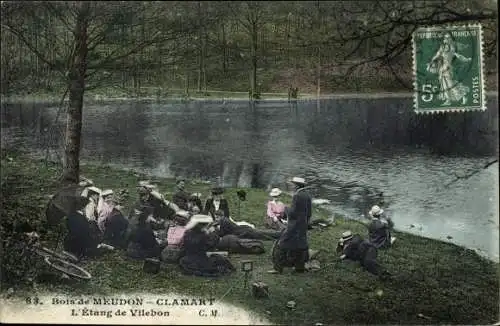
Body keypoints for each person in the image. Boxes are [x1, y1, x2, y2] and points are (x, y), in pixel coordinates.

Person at [269, 177, 311, 274]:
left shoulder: (297, 196)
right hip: (302, 226)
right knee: (300, 246)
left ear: (296, 185)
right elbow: (309, 213)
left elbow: (293, 213)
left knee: (281, 245)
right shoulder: (307, 195)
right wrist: (305, 223)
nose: (291, 185)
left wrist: (286, 209)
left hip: (293, 226)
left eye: (292, 184)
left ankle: (278, 268)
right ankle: (299, 268)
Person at [427, 32, 471, 106]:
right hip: (442, 67)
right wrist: (431, 62)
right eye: (445, 38)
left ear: (450, 39)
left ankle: (463, 96)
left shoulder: (452, 47)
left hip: (448, 68)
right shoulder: (443, 47)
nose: (446, 39)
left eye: (448, 38)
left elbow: (458, 56)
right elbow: (437, 55)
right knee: (444, 84)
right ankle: (448, 100)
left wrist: (466, 59)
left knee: (450, 84)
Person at [214, 210, 281, 241]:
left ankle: (278, 235)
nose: (216, 219)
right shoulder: (225, 220)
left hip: (244, 232)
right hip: (245, 230)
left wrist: (215, 229)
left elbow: (222, 234)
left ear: (220, 216)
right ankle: (278, 234)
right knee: (262, 232)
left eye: (217, 217)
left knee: (263, 235)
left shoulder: (224, 222)